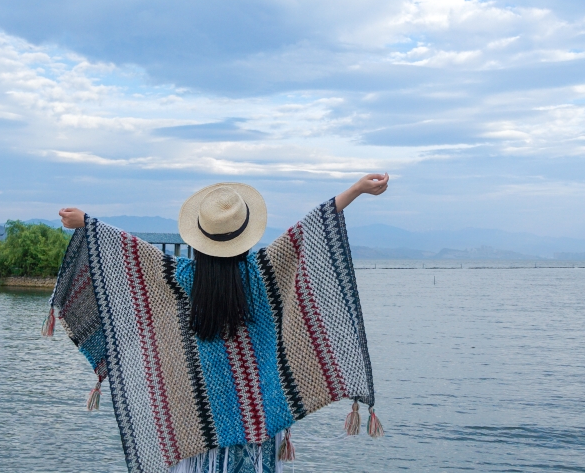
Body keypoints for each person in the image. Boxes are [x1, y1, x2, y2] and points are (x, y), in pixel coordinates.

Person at [49, 173, 388, 473]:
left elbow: (130, 251)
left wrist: (87, 223)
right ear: (245, 236)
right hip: (256, 421)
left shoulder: (181, 278)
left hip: (195, 429)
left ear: (199, 238)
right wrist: (356, 189)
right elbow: (309, 230)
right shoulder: (261, 273)